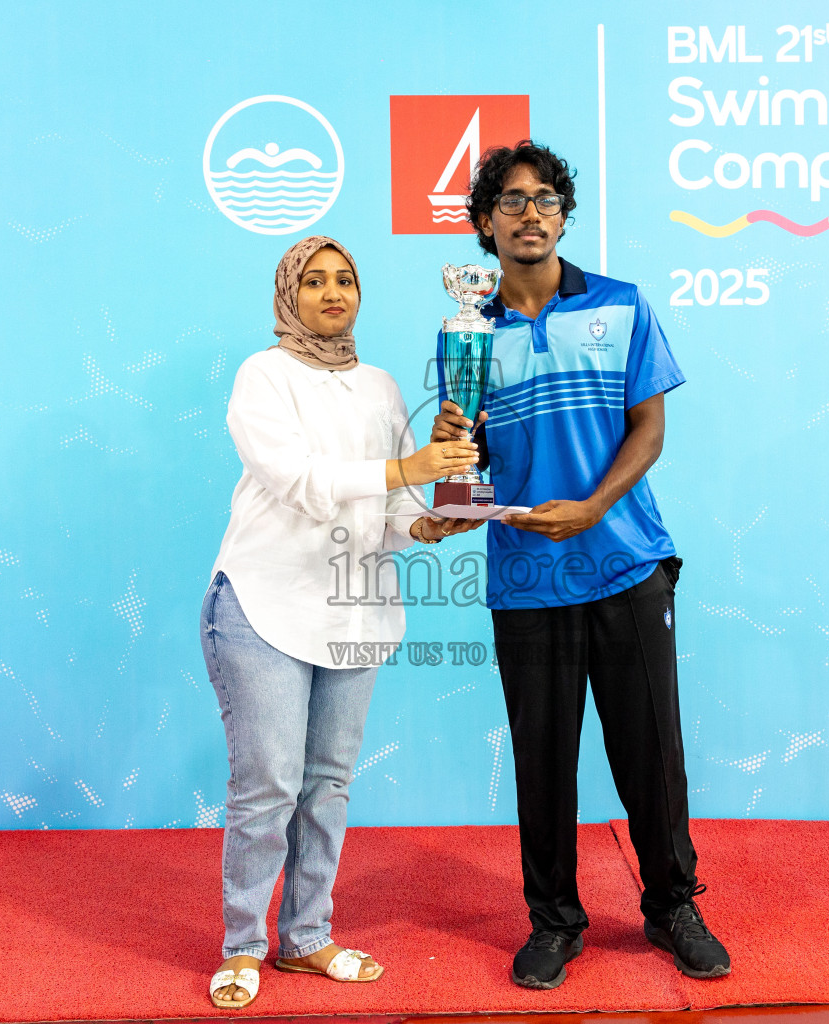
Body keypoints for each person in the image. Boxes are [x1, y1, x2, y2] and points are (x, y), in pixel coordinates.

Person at [430, 143, 730, 988]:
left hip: (628, 563)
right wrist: (449, 506)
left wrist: (594, 510)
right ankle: (555, 922)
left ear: (564, 214)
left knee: (651, 754)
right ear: (484, 224)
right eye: (512, 201)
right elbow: (468, 458)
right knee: (543, 758)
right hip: (525, 579)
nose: (531, 213)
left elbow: (649, 431)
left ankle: (673, 907)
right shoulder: (467, 332)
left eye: (546, 199)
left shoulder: (624, 307)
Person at [202, 235, 480, 1010]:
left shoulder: (383, 388)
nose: (333, 292)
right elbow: (298, 482)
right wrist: (407, 472)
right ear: (289, 294)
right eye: (316, 280)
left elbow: (388, 512)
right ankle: (243, 945)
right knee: (269, 786)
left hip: (354, 610)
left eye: (346, 279)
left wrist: (426, 525)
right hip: (263, 602)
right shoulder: (264, 376)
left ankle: (306, 937)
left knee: (327, 785)